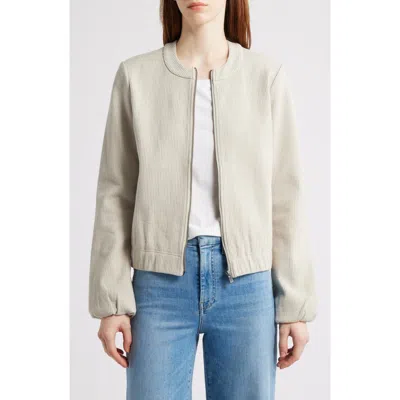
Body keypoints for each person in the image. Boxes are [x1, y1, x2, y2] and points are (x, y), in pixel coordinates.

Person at [89, 0, 317, 398]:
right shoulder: (136, 76)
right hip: (158, 287)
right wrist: (111, 301)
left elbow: (285, 195)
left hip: (247, 286)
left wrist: (294, 305)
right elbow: (116, 192)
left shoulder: (265, 77)